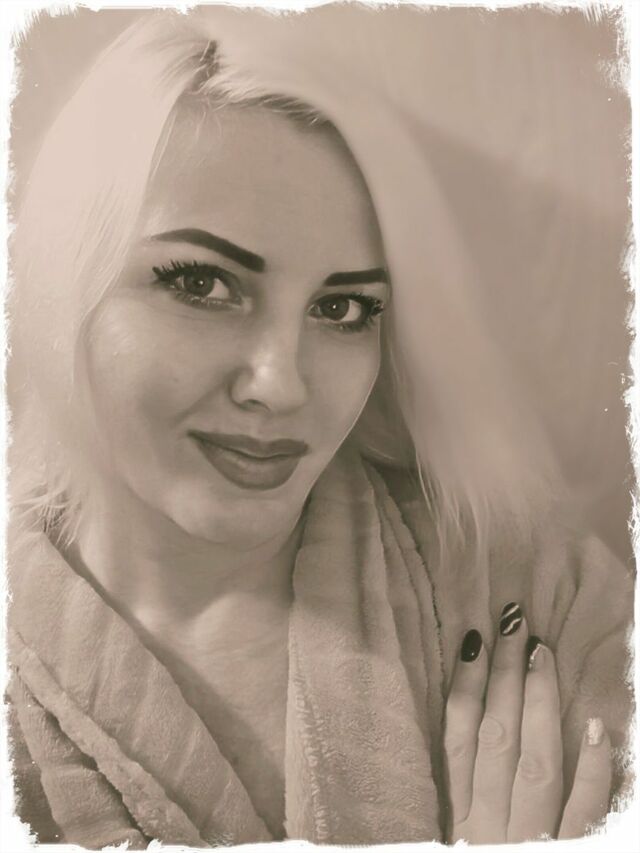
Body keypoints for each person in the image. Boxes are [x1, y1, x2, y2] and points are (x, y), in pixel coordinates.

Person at [6, 5, 633, 848]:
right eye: (201, 283)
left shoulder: (534, 589)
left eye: (342, 308)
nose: (281, 385)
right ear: (65, 279)